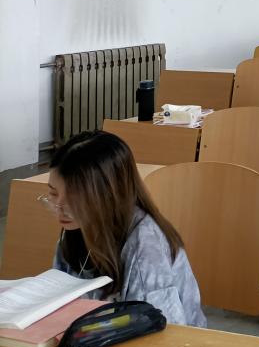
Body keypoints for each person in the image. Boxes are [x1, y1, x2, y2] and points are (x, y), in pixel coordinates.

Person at [45, 131, 206, 327]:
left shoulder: (146, 247)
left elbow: (160, 332)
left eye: (74, 197)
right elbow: (58, 301)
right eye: (53, 193)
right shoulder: (77, 228)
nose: (60, 207)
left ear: (108, 194)